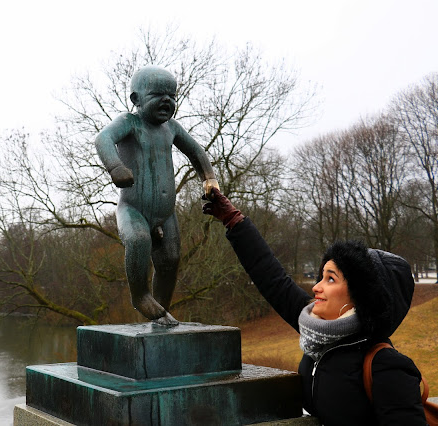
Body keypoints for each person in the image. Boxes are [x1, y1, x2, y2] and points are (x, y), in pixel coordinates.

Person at [202, 188, 427, 425]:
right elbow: (272, 279)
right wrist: (234, 220)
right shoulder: (320, 335)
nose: (316, 287)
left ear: (361, 296)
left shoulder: (387, 368)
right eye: (321, 276)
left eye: (330, 278)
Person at [95, 66, 219, 325]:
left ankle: (161, 311)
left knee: (170, 260)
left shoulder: (171, 128)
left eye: (172, 96)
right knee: (139, 240)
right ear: (136, 99)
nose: (167, 101)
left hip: (166, 214)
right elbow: (103, 138)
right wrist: (116, 167)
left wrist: (209, 178)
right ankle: (140, 296)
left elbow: (196, 152)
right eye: (157, 94)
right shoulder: (129, 122)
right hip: (133, 209)